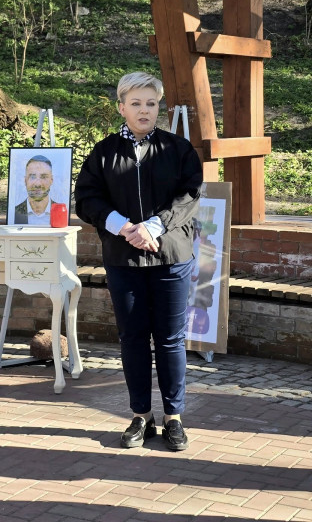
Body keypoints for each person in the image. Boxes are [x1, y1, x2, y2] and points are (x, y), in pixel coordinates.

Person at [74, 72, 202, 451]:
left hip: (171, 257)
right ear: (121, 107)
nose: (144, 110)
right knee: (132, 337)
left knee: (170, 339)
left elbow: (190, 194)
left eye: (151, 103)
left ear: (158, 106)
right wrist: (123, 226)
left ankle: (174, 417)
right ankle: (141, 416)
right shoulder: (103, 152)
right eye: (136, 103)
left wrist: (153, 225)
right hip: (123, 258)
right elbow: (87, 199)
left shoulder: (179, 150)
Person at [14, 154, 59, 225]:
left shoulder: (60, 211)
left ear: (51, 180)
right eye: (32, 177)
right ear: (25, 181)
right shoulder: (14, 213)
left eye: (44, 177)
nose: (38, 184)